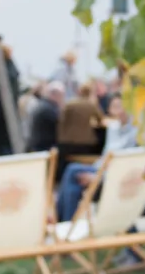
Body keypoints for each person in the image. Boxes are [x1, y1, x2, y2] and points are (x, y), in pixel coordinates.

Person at [55, 94, 138, 223]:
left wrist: (98, 177)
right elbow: (105, 155)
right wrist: (95, 170)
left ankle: (62, 223)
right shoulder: (113, 128)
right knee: (74, 179)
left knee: (73, 173)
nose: (119, 111)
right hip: (101, 169)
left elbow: (125, 165)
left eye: (122, 106)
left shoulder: (135, 133)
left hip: (114, 177)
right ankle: (65, 225)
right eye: (115, 107)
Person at [57, 83, 104, 155]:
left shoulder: (69, 104)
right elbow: (100, 119)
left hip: (66, 144)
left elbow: (61, 120)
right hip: (85, 144)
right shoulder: (90, 105)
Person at [27, 82, 64, 153]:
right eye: (61, 95)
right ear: (55, 95)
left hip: (38, 147)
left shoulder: (44, 105)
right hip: (44, 148)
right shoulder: (49, 109)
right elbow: (61, 124)